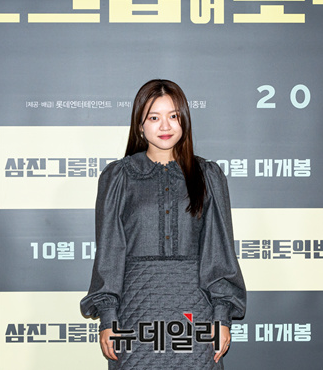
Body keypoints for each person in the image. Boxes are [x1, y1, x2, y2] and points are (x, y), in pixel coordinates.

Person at [80, 79, 246, 369]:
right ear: (140, 126)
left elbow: (219, 250)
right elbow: (109, 252)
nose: (165, 126)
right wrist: (108, 318)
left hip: (195, 312)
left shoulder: (207, 176)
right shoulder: (119, 177)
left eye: (173, 116)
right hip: (135, 311)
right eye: (154, 118)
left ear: (184, 121)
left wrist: (221, 317)